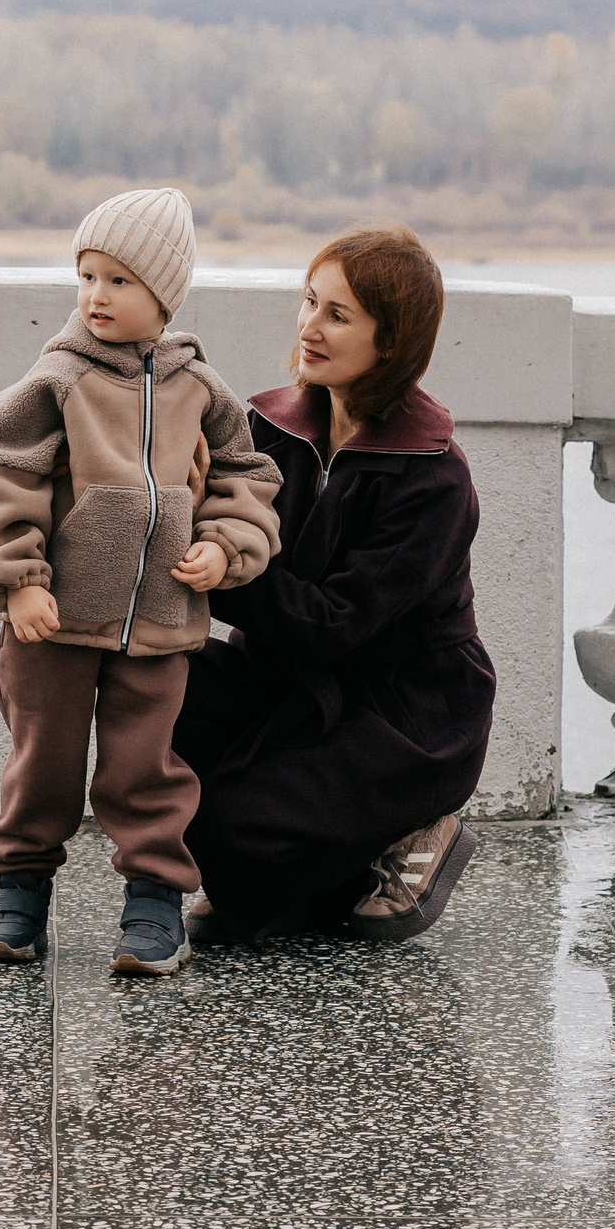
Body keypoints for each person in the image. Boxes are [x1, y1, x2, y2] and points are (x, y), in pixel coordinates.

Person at [0, 187, 284, 975]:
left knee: (148, 769)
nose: (97, 296)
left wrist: (226, 545)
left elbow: (249, 475)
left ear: (164, 294)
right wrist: (19, 579)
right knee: (44, 763)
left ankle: (153, 901)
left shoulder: (200, 388)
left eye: (120, 280)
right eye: (88, 276)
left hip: (162, 621)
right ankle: (19, 892)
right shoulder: (60, 379)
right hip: (54, 621)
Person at [174, 225, 494, 944]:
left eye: (337, 315)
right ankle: (329, 854)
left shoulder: (435, 477)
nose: (308, 328)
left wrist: (222, 567)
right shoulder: (271, 431)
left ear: (393, 341)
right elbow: (224, 523)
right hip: (288, 677)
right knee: (155, 688)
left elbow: (331, 623)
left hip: (403, 714)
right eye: (309, 301)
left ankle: (409, 832)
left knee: (228, 837)